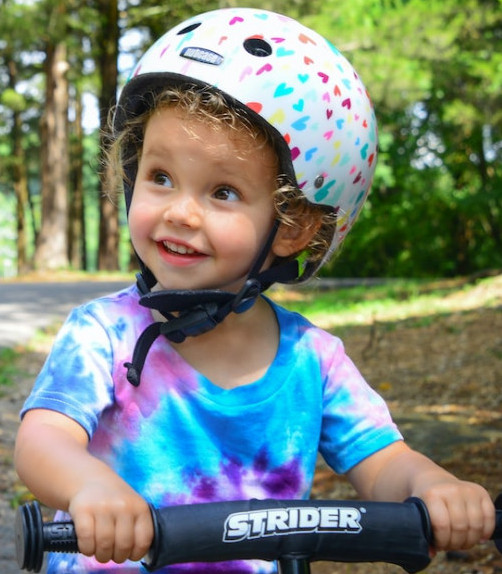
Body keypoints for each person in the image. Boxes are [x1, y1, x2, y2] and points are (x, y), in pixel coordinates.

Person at [15, 7, 494, 574]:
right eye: (160, 177)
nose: (180, 212)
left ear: (293, 227)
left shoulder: (313, 361)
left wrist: (434, 486)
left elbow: (385, 462)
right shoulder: (104, 335)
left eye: (222, 191)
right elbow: (42, 441)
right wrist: (90, 487)